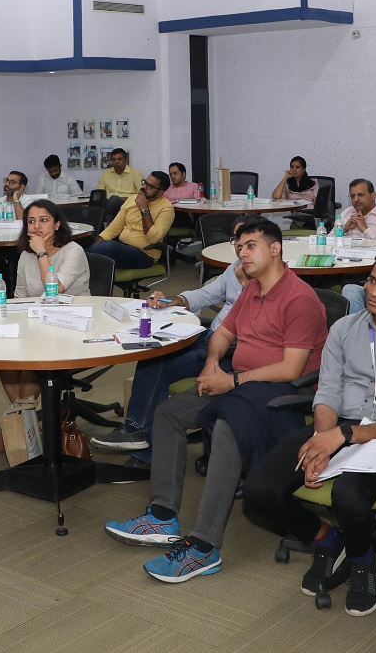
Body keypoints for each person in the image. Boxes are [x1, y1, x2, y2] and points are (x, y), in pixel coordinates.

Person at [103, 217, 328, 583]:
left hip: (282, 392)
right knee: (168, 413)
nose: (242, 252)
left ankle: (205, 546)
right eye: (239, 247)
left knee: (226, 427)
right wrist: (211, 366)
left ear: (275, 249)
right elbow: (222, 334)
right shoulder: (252, 290)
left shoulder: (299, 298)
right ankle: (162, 515)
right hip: (236, 382)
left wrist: (232, 380)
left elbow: (291, 368)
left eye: (250, 245)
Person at [243, 250, 376, 616]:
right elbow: (328, 391)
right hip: (334, 428)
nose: (374, 291)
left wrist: (347, 435)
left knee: (349, 496)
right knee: (259, 492)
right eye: (371, 280)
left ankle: (363, 561)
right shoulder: (344, 329)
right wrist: (323, 439)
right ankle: (326, 539)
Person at [94, 218, 261, 456]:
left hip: (234, 350)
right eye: (237, 240)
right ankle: (140, 439)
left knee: (159, 364)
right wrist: (175, 301)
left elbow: (252, 326)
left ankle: (140, 441)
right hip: (211, 336)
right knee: (155, 350)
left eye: (249, 243)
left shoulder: (267, 279)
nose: (240, 248)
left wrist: (247, 287)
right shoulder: (235, 267)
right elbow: (205, 294)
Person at [0, 200, 93, 405]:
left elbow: (54, 290)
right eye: (31, 221)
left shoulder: (73, 251)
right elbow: (20, 298)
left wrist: (41, 252)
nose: (37, 226)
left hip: (72, 325)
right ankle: (24, 423)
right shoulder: (26, 255)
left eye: (44, 220)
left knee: (31, 368)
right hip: (38, 325)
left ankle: (24, 426)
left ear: (57, 224)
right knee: (5, 360)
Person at [87, 171, 174, 269]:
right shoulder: (131, 200)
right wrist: (94, 246)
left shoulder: (166, 208)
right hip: (123, 248)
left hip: (144, 255)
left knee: (109, 246)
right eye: (145, 182)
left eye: (150, 186)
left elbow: (154, 239)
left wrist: (144, 209)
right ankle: (80, 259)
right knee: (87, 242)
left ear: (160, 193)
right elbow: (112, 229)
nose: (144, 187)